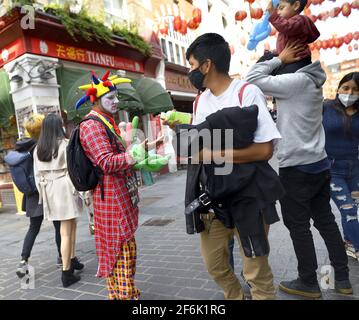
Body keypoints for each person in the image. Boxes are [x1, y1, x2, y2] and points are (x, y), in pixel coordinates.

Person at [169, 33, 283, 300]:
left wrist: (213, 152)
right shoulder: (200, 101)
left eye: (192, 64)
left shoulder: (246, 92)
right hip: (214, 197)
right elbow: (197, 147)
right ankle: (235, 296)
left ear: (206, 65)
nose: (190, 71)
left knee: (255, 270)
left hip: (250, 197)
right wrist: (185, 137)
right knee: (215, 265)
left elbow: (265, 149)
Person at [246, 41, 353, 298]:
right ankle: (343, 279)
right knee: (326, 221)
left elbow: (252, 77)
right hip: (319, 164)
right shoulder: (313, 81)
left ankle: (308, 281)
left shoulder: (296, 81)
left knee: (299, 226)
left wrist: (277, 59)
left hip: (297, 168)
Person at [77, 71, 163, 300]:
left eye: (116, 97)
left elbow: (116, 156)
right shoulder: (92, 126)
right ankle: (125, 296)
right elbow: (105, 162)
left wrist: (141, 150)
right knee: (122, 253)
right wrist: (133, 156)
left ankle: (121, 294)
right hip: (111, 198)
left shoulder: (106, 121)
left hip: (117, 194)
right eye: (110, 98)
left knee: (123, 251)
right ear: (95, 100)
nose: (116, 102)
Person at [33, 113, 84, 288]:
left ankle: (72, 259)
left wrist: (43, 194)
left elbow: (36, 175)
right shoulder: (65, 144)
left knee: (71, 225)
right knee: (66, 231)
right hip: (64, 188)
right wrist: (82, 191)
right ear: (58, 126)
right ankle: (66, 272)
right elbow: (73, 169)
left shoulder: (38, 149)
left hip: (49, 189)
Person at [15, 114, 62, 279]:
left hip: (32, 196)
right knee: (58, 224)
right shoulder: (41, 147)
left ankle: (23, 261)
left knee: (33, 228)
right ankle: (62, 257)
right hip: (46, 190)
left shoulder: (21, 147)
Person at [322, 72, 359, 262]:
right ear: (338, 88)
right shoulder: (325, 107)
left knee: (354, 210)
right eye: (346, 88)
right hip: (332, 170)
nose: (349, 92)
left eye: (355, 89)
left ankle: (350, 243)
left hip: (356, 171)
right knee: (349, 210)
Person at [266, 0, 320, 74]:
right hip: (291, 59)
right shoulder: (289, 24)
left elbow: (286, 27)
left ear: (296, 5)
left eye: (281, 8)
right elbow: (286, 43)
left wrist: (273, 14)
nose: (278, 13)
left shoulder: (299, 20)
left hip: (299, 60)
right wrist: (276, 51)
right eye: (277, 10)